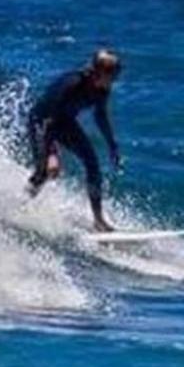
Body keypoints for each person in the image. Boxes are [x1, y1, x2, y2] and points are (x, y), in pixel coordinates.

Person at [26, 49, 124, 231]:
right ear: (99, 71)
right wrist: (51, 153)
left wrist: (112, 145)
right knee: (47, 171)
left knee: (92, 164)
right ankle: (23, 203)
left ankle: (98, 220)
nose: (115, 79)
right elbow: (48, 120)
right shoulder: (72, 84)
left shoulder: (102, 89)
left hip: (64, 122)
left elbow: (100, 116)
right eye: (113, 74)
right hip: (41, 122)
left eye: (117, 73)